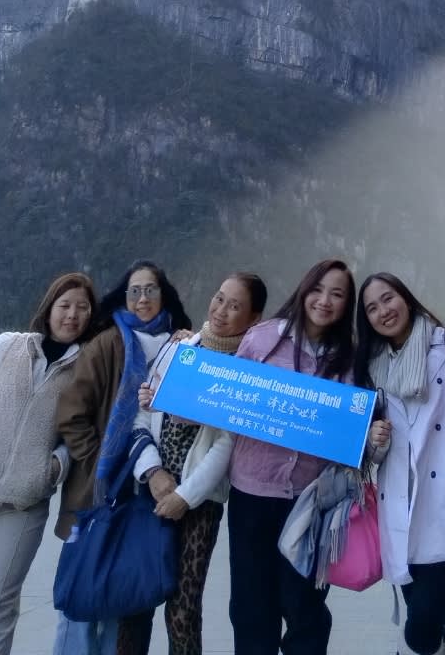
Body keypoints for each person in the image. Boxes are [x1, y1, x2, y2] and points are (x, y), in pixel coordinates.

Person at [0, 271, 96, 655]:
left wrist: (53, 468)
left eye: (82, 308)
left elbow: (82, 433)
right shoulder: (7, 346)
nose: (72, 315)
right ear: (49, 308)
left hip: (24, 504)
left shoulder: (87, 371)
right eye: (65, 305)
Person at [53, 260, 192, 655]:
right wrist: (103, 462)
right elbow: (72, 415)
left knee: (128, 594)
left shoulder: (182, 346)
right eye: (134, 291)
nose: (142, 298)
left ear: (164, 295)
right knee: (84, 592)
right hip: (100, 491)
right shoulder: (109, 343)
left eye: (150, 289)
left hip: (154, 492)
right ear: (124, 296)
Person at [133, 273, 268, 655]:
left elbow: (227, 444)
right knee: (135, 600)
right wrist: (153, 473)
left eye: (235, 306)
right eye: (219, 298)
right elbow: (141, 415)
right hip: (151, 490)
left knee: (183, 609)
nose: (221, 310)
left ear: (253, 318)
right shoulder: (180, 348)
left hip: (199, 503)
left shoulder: (246, 368)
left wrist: (185, 497)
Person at [226, 258, 356, 655]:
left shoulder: (349, 357)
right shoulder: (263, 339)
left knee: (305, 608)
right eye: (317, 289)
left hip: (309, 501)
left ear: (347, 304)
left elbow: (353, 426)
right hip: (252, 493)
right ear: (303, 290)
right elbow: (224, 399)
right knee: (252, 607)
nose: (324, 301)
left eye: (337, 294)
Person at [355, 273, 445, 655]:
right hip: (398, 511)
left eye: (388, 298)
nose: (383, 311)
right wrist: (374, 442)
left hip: (443, 501)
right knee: (428, 624)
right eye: (371, 308)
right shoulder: (373, 366)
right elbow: (371, 454)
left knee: (423, 622)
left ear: (406, 298)